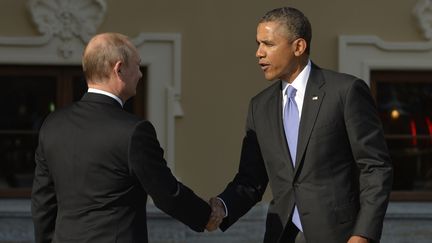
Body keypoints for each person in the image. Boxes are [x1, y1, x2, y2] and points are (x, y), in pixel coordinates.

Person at [209, 7, 393, 243]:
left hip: (340, 236)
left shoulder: (345, 92)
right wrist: (222, 207)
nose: (258, 53)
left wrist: (363, 234)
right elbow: (250, 179)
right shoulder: (259, 106)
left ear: (298, 47)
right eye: (258, 44)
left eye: (268, 44)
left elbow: (376, 168)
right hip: (281, 235)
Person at [31, 32, 216, 243]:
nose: (140, 74)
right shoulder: (133, 131)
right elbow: (166, 193)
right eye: (137, 65)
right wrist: (208, 216)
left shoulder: (52, 125)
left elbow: (43, 202)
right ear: (119, 69)